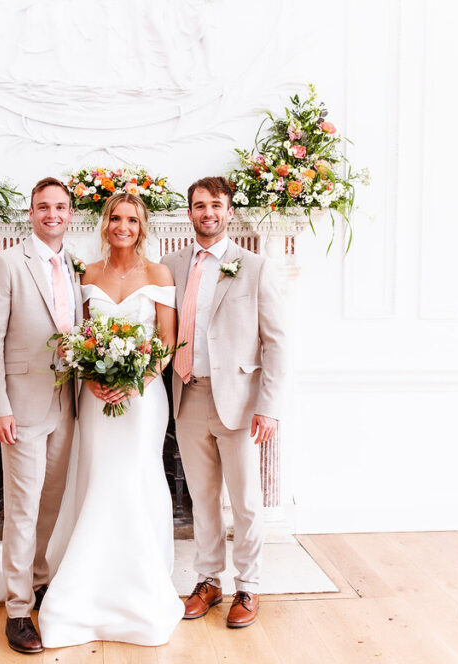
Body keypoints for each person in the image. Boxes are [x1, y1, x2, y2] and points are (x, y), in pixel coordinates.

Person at [38, 192, 184, 647]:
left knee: (137, 478)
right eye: (116, 219)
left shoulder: (158, 274)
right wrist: (92, 376)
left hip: (142, 399)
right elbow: (81, 338)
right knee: (99, 477)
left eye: (132, 220)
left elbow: (166, 343)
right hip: (96, 399)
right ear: (105, 224)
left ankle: (142, 581)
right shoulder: (88, 274)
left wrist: (133, 382)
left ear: (142, 226)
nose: (124, 227)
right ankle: (88, 580)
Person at [160, 176, 287, 629]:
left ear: (229, 211)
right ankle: (208, 581)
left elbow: (276, 342)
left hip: (238, 400)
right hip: (188, 394)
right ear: (189, 212)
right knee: (202, 497)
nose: (207, 213)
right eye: (199, 205)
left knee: (246, 501)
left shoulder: (254, 266)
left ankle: (248, 585)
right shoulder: (170, 264)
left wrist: (268, 405)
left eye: (216, 205)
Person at [0, 177, 82, 654]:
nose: (52, 214)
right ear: (31, 213)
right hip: (20, 408)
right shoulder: (5, 263)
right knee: (21, 509)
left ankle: (39, 582)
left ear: (71, 213)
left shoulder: (72, 264)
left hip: (66, 403)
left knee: (50, 504)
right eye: (44, 207)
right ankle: (18, 610)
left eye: (60, 207)